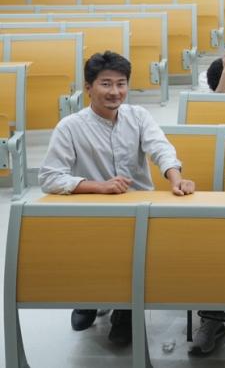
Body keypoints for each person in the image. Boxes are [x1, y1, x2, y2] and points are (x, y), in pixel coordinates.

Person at [39, 51, 195, 345]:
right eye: (106, 84)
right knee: (94, 249)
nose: (115, 92)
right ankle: (88, 298)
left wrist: (176, 178)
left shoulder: (138, 116)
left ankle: (126, 310)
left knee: (141, 248)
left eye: (121, 84)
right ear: (88, 88)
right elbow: (49, 177)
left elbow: (161, 149)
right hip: (93, 213)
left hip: (138, 210)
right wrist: (98, 187)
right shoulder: (70, 127)